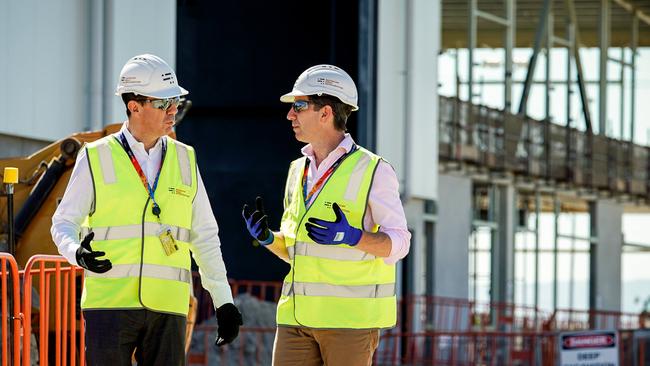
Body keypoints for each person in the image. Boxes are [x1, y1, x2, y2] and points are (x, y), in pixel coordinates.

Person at [51, 54, 242, 366]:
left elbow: (205, 236)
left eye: (176, 101)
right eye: (163, 103)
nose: (174, 110)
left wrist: (223, 301)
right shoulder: (95, 157)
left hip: (168, 308)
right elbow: (63, 223)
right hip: (109, 306)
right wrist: (76, 252)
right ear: (134, 106)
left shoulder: (185, 159)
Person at [242, 64, 411, 365]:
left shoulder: (374, 170)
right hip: (296, 319)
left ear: (326, 112)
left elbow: (399, 244)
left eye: (299, 106)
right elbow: (299, 252)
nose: (290, 115)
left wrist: (353, 237)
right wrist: (269, 239)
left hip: (350, 323)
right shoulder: (297, 170)